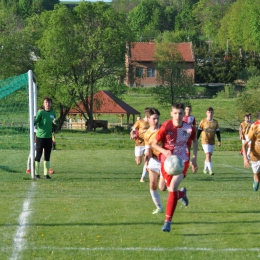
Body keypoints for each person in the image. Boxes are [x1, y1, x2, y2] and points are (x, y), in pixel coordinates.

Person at [152, 102, 198, 232]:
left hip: (182, 160)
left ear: (184, 114)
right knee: (162, 188)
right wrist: (164, 151)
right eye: (175, 113)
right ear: (171, 113)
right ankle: (182, 193)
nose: (178, 116)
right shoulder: (166, 126)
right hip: (167, 162)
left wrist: (194, 158)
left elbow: (195, 141)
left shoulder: (189, 128)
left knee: (172, 187)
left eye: (180, 113)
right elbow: (154, 144)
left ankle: (167, 221)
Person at [144, 107, 166, 214]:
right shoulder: (147, 133)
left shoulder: (163, 130)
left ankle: (181, 193)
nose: (156, 121)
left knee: (162, 187)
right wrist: (147, 157)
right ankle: (159, 208)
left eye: (157, 118)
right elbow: (148, 149)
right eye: (154, 119)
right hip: (153, 161)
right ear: (148, 119)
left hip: (164, 161)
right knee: (152, 185)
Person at [34, 97, 56, 179]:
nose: (48, 104)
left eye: (49, 102)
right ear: (44, 104)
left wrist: (55, 124)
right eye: (46, 102)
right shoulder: (41, 112)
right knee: (38, 155)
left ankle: (46, 174)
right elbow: (35, 122)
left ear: (51, 104)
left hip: (48, 138)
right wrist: (33, 120)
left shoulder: (53, 113)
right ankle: (36, 174)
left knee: (47, 156)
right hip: (40, 137)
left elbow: (54, 127)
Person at [197, 107, 221, 175]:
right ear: (206, 113)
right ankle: (210, 170)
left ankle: (205, 169)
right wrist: (196, 140)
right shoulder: (203, 121)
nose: (210, 113)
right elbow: (199, 131)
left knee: (209, 156)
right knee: (208, 155)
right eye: (208, 112)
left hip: (212, 141)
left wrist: (219, 141)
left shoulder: (215, 122)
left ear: (213, 113)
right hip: (205, 141)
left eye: (211, 112)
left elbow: (218, 132)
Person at [130, 108, 150, 182]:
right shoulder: (140, 122)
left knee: (147, 160)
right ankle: (137, 158)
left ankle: (143, 178)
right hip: (139, 144)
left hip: (148, 144)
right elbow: (132, 131)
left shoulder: (152, 122)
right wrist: (132, 135)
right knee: (138, 162)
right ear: (146, 114)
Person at [243, 112, 260, 191]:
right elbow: (244, 144)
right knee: (256, 175)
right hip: (255, 155)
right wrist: (245, 159)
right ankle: (256, 180)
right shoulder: (254, 127)